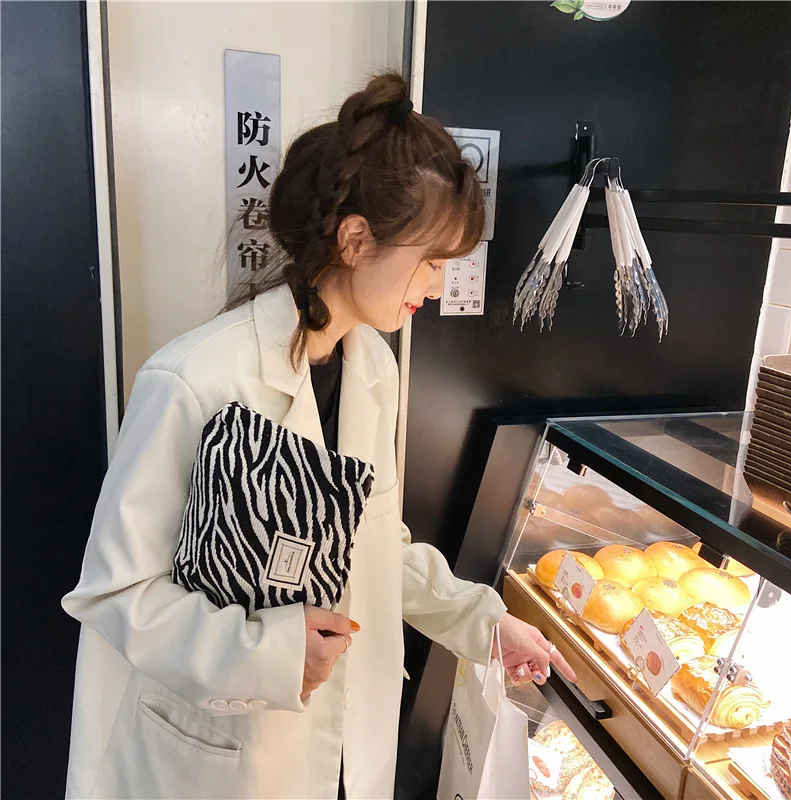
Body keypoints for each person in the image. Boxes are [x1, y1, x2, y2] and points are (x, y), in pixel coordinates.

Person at [62, 72, 576, 800]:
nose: (436, 285)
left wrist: (482, 622)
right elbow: (114, 594)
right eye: (431, 262)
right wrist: (267, 652)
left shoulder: (374, 369)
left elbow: (372, 548)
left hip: (340, 751)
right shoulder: (194, 379)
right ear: (357, 239)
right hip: (217, 757)